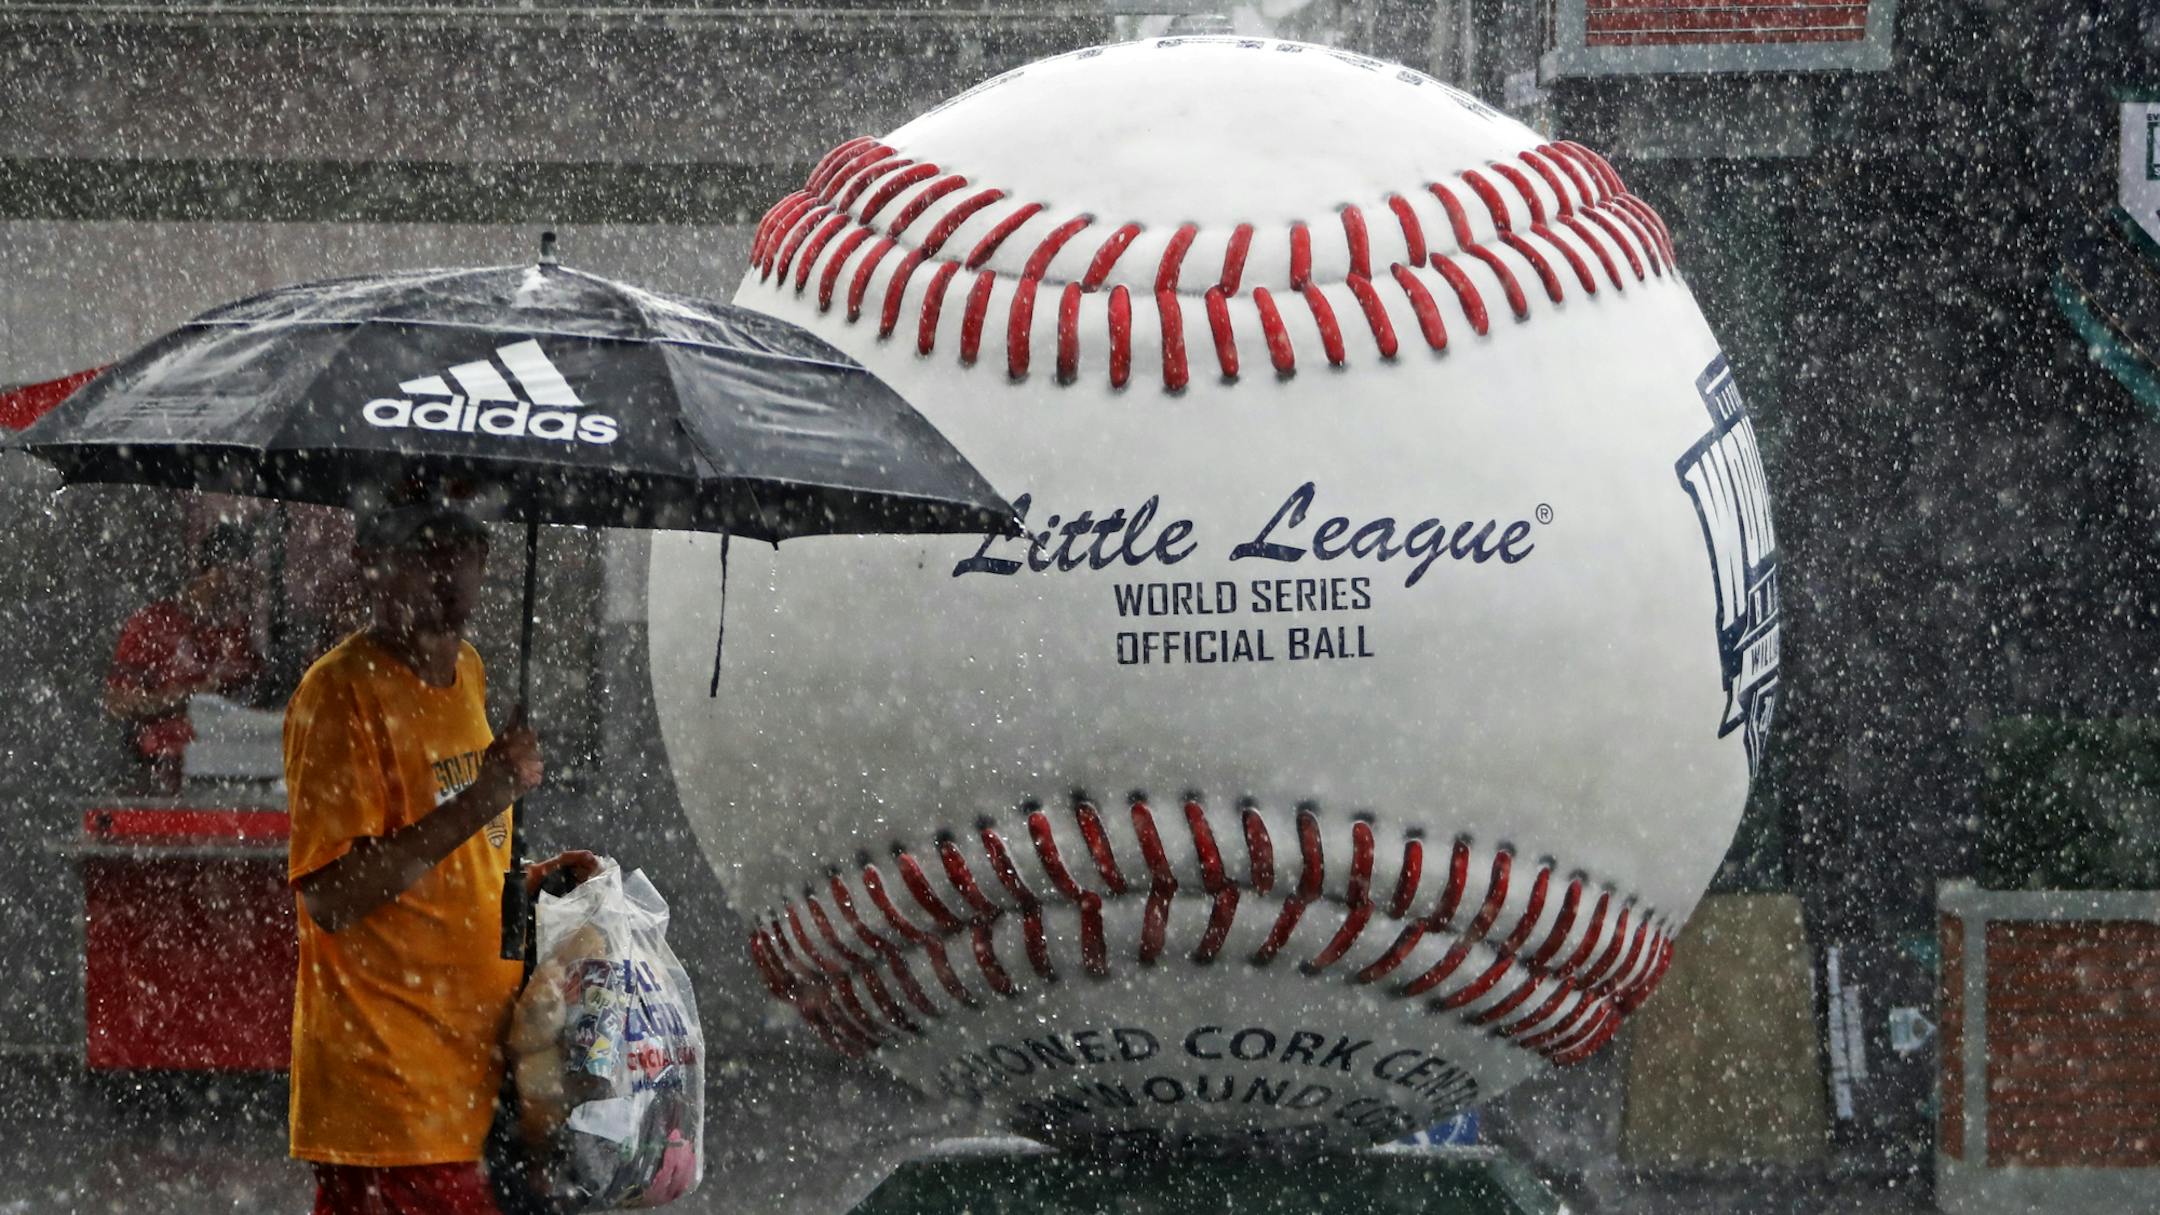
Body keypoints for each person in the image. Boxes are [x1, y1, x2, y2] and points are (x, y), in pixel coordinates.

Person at [283, 499, 598, 1215]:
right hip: (392, 1097)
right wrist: (484, 796)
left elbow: (463, 855)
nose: (447, 570)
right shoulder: (339, 696)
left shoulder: (473, 674)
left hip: (479, 1087)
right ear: (371, 568)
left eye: (463, 549)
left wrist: (542, 883)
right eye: (423, 551)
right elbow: (331, 896)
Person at [104, 521, 265, 791]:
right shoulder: (152, 626)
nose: (240, 596)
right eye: (236, 582)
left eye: (248, 587)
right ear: (210, 575)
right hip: (159, 772)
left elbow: (251, 702)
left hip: (229, 772)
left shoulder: (235, 634)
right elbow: (117, 702)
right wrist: (189, 696)